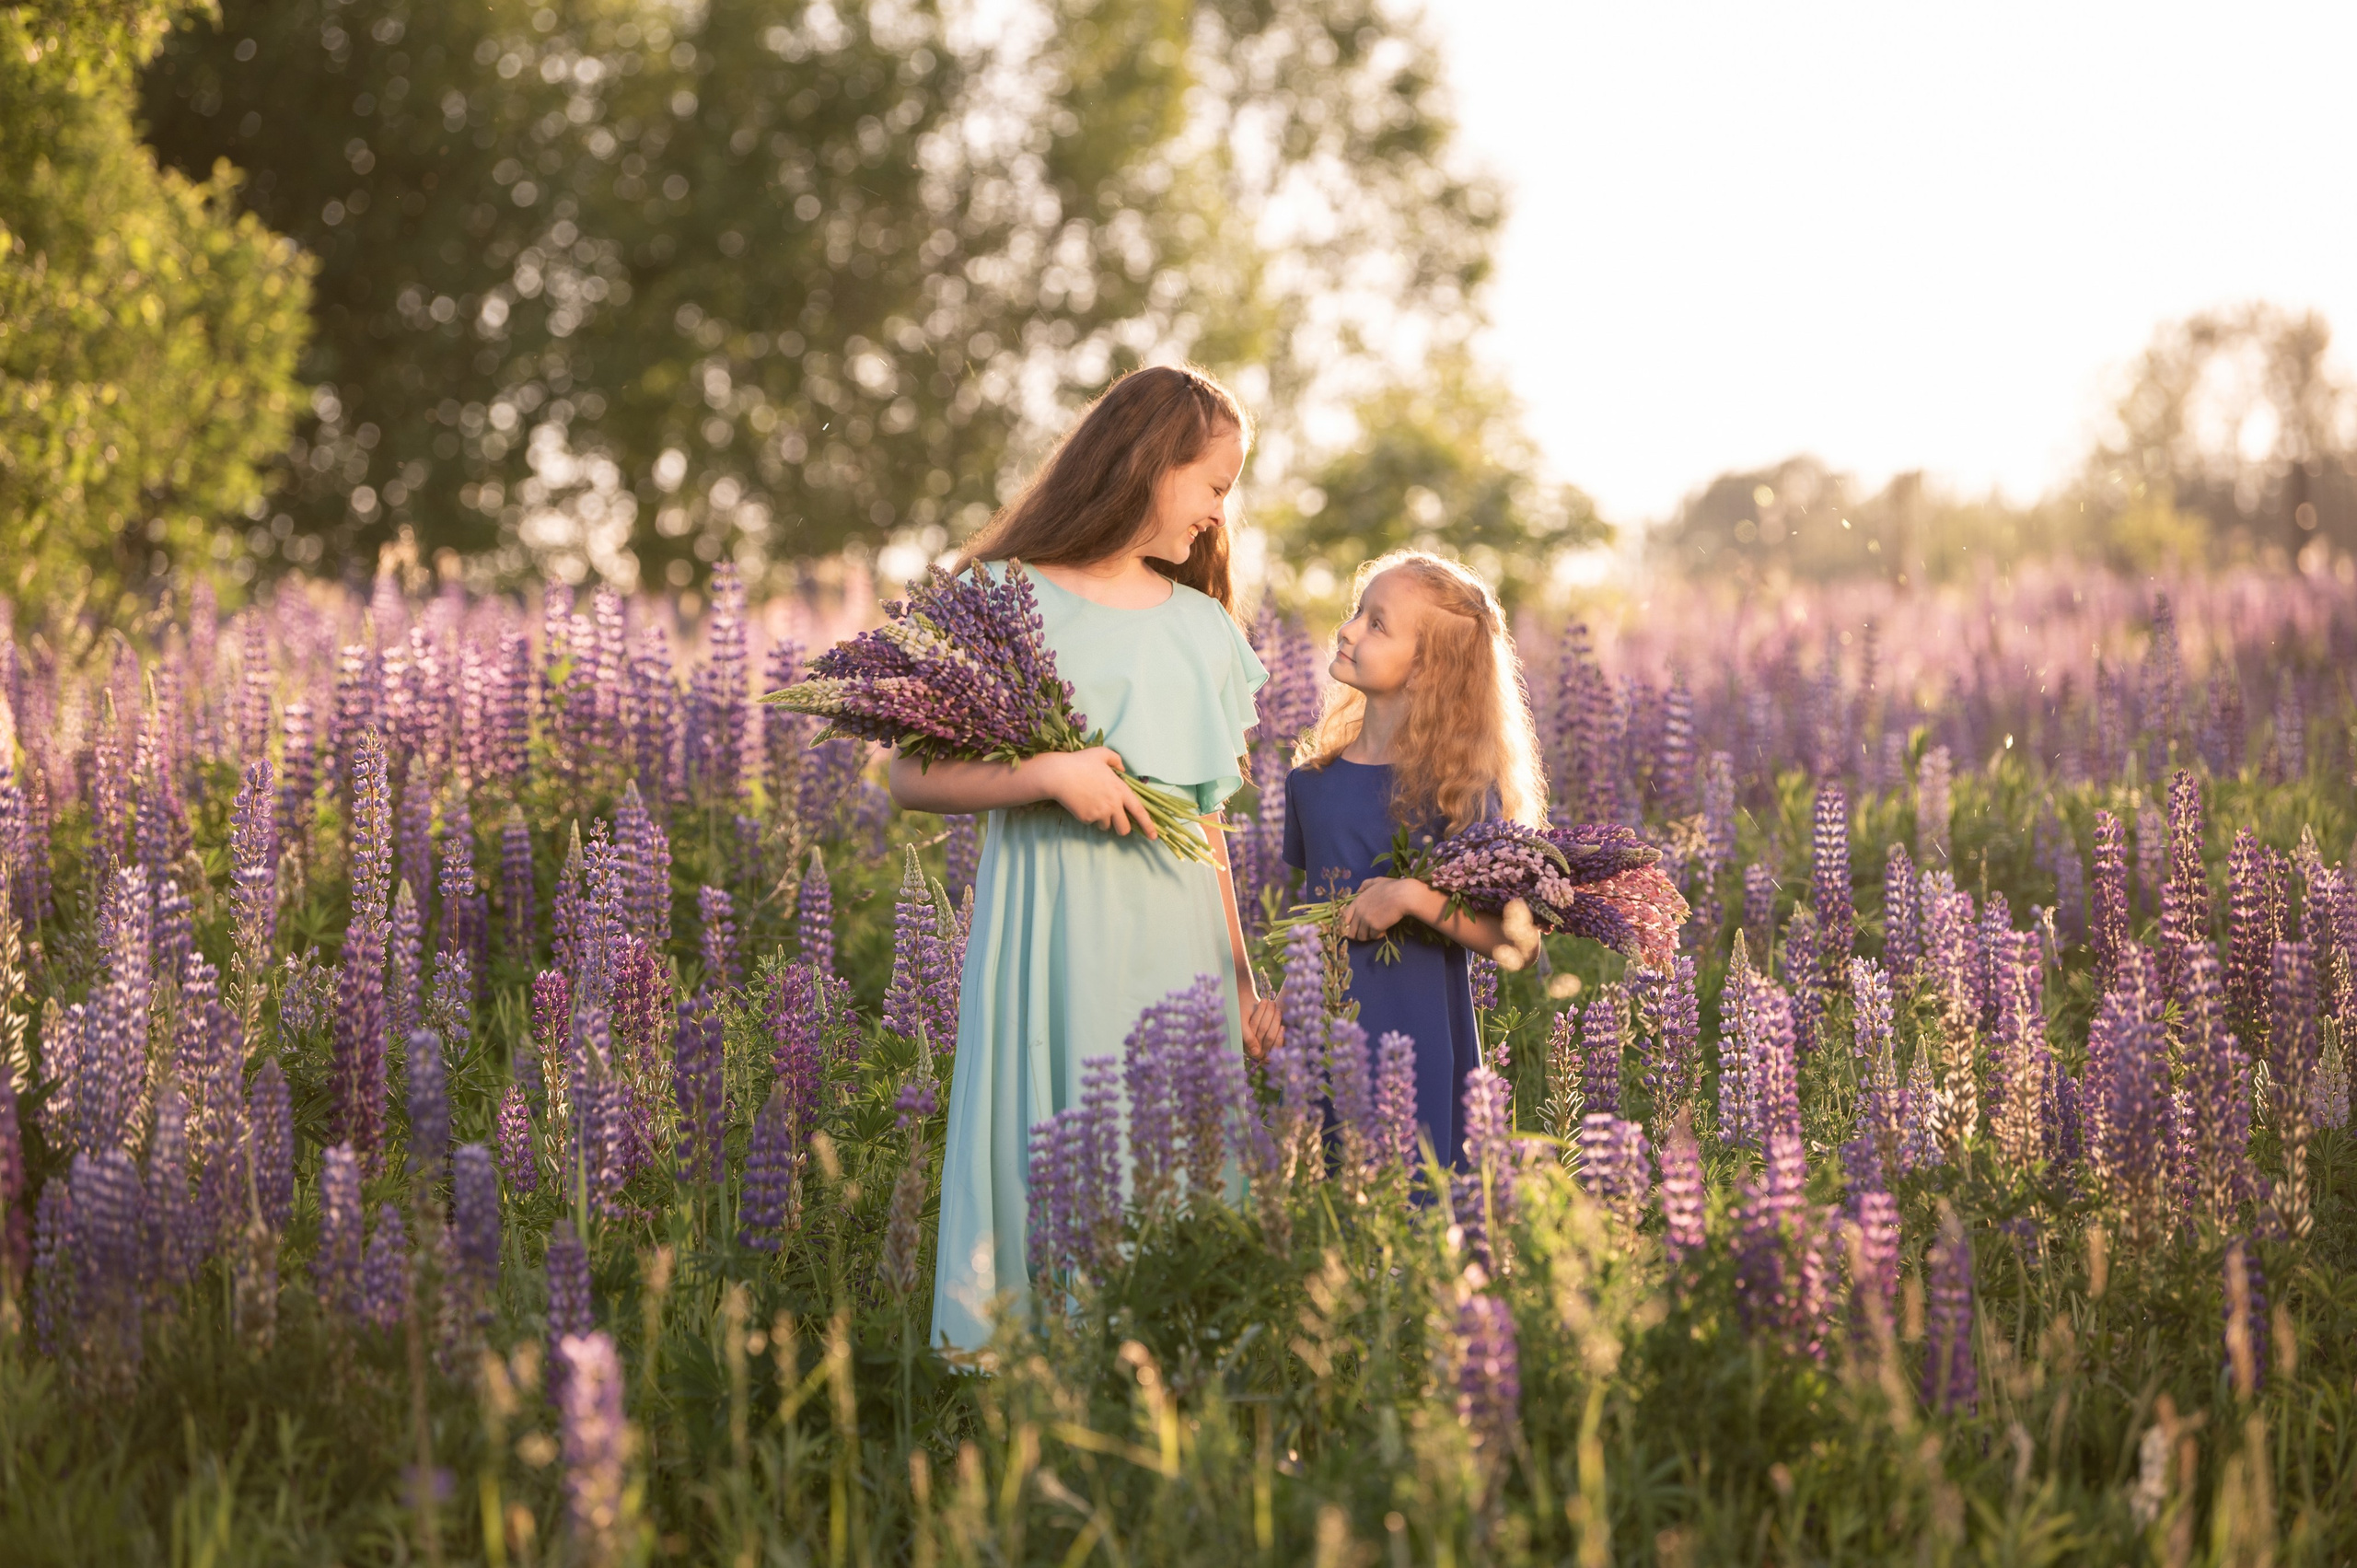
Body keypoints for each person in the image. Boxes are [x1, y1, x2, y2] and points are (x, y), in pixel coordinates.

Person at [890, 365, 1282, 1357]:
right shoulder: (999, 596)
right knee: (1052, 1134)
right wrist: (1045, 772)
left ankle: (1168, 1378)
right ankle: (1036, 1377)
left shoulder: (1199, 626)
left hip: (1175, 941)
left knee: (1172, 1157)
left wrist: (1242, 976)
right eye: (1213, 484)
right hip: (1051, 936)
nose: (1216, 514)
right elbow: (908, 772)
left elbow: (1206, 826)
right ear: (1150, 463)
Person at [1282, 550, 1545, 1167]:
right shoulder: (1310, 782)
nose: (1348, 630)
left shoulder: (1459, 792)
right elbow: (1302, 916)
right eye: (1356, 613)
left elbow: (1520, 943)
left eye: (1377, 624)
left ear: (1428, 669)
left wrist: (1410, 896)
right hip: (1324, 1035)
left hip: (1419, 1044)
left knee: (1418, 1220)